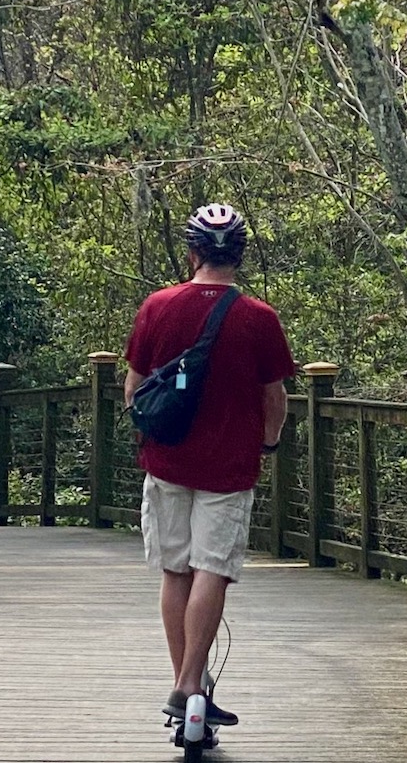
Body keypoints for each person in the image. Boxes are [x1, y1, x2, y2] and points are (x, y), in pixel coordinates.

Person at [123, 203, 295, 722]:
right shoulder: (259, 318)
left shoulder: (158, 306)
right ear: (239, 255)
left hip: (167, 461)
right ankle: (189, 686)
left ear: (192, 252)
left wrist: (153, 432)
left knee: (176, 570)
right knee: (212, 569)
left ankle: (186, 684)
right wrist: (268, 443)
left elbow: (134, 389)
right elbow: (275, 398)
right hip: (229, 467)